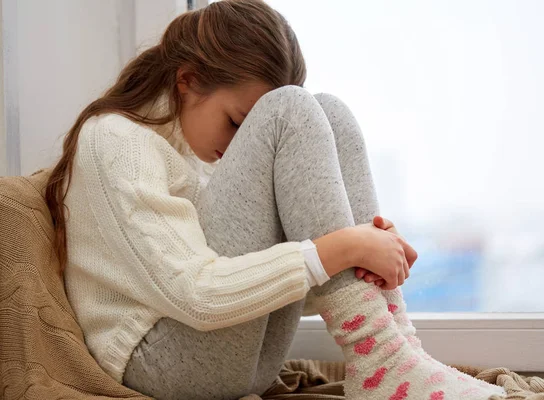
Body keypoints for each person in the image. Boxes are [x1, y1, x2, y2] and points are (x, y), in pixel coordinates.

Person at [44, 1, 506, 399]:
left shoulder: (201, 147)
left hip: (243, 362)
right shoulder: (117, 141)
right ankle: (381, 360)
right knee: (290, 111)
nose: (246, 141)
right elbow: (199, 297)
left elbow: (269, 287)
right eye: (237, 121)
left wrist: (358, 251)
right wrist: (341, 246)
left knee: (330, 113)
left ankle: (391, 348)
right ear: (187, 80)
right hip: (158, 363)